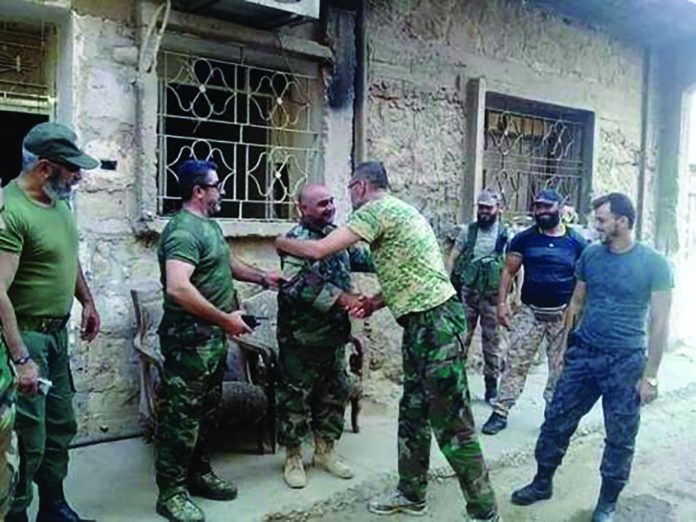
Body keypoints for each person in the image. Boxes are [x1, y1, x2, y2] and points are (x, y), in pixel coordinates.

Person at [276, 162, 498, 521]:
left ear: (360, 186)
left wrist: (280, 242)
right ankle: (411, 494)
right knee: (413, 414)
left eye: (345, 192)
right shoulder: (400, 212)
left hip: (435, 325)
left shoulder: (377, 211)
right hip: (418, 325)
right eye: (324, 203)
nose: (339, 204)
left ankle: (484, 511)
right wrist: (374, 302)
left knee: (453, 424)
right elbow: (405, 271)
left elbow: (318, 252)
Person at [510, 193, 673, 522]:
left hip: (626, 361)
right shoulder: (592, 256)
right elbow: (576, 303)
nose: (595, 226)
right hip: (585, 354)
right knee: (556, 419)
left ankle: (607, 503)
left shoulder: (654, 264)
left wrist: (650, 375)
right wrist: (565, 350)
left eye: (601, 220)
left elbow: (659, 323)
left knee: (620, 435)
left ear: (622, 222)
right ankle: (543, 482)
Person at [155, 159, 284, 522]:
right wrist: (226, 319)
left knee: (206, 412)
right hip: (188, 342)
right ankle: (171, 492)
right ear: (199, 190)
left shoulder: (208, 226)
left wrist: (262, 278)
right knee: (181, 418)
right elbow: (178, 288)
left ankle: (198, 475)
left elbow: (224, 262)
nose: (222, 191)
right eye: (217, 185)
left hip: (209, 340)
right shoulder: (182, 231)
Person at [0, 122, 102, 522]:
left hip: (56, 336)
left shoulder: (57, 202)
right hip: (25, 337)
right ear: (44, 167)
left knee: (60, 425)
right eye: (71, 168)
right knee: (28, 436)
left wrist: (88, 301)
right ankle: (17, 513)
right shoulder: (10, 211)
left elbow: (67, 254)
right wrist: (22, 358)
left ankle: (54, 508)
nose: (78, 176)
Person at [277, 183, 374, 489]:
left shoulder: (337, 235)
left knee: (334, 394)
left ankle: (325, 451)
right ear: (303, 208)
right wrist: (345, 299)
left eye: (331, 201)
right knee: (295, 399)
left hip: (334, 337)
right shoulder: (294, 241)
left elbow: (361, 259)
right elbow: (299, 284)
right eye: (321, 204)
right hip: (301, 337)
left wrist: (388, 252)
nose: (329, 207)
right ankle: (293, 457)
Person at [481, 189, 588, 436]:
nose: (540, 211)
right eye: (537, 206)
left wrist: (579, 312)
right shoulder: (524, 239)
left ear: (561, 208)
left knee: (559, 369)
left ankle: (554, 417)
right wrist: (502, 304)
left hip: (563, 315)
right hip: (530, 312)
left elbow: (585, 278)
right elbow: (508, 271)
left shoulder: (577, 242)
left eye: (546, 207)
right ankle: (500, 412)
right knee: (516, 362)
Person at [446, 189, 509, 404]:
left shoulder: (504, 234)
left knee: (492, 344)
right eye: (481, 207)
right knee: (461, 339)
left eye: (488, 208)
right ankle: (456, 386)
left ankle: (491, 388)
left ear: (498, 209)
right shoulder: (468, 232)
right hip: (469, 293)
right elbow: (453, 257)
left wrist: (514, 296)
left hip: (492, 296)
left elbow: (514, 267)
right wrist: (446, 285)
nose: (483, 212)